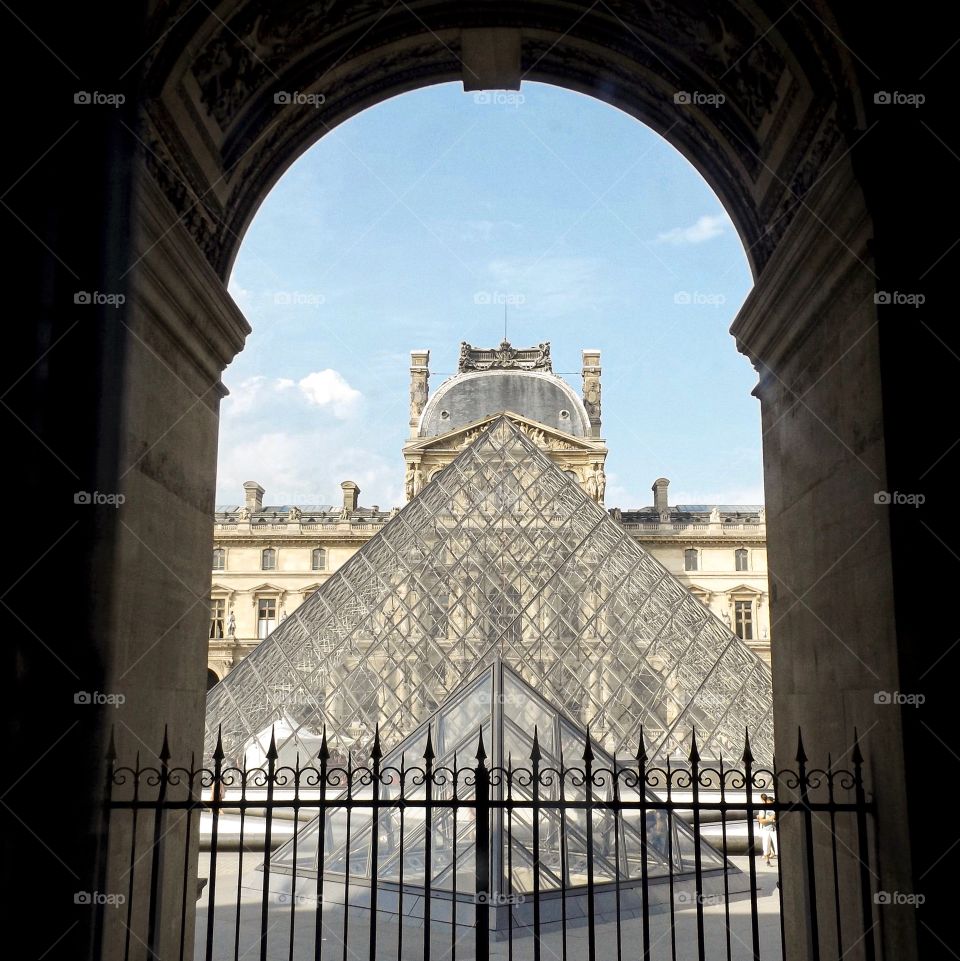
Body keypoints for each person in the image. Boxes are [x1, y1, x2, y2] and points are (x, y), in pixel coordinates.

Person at [757, 793, 778, 865]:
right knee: (766, 845)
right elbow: (761, 821)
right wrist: (770, 819)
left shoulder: (775, 809)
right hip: (766, 830)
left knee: (777, 845)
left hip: (774, 829)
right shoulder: (763, 810)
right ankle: (767, 860)